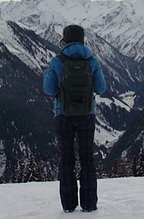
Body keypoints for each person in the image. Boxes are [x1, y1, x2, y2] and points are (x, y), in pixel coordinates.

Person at [43, 24, 107, 213]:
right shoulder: (92, 61)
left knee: (66, 159)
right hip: (87, 115)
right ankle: (89, 204)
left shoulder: (57, 61)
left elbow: (48, 89)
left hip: (63, 115)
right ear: (82, 40)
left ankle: (69, 205)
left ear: (64, 40)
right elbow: (101, 88)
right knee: (87, 158)